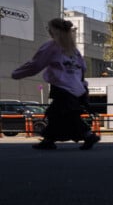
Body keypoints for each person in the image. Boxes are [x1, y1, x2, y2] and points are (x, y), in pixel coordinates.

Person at [12, 17, 99, 150]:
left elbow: (36, 64)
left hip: (62, 87)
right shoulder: (73, 50)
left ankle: (87, 135)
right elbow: (82, 69)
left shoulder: (52, 46)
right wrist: (83, 87)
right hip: (77, 88)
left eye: (49, 29)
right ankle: (49, 140)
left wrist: (17, 73)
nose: (48, 31)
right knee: (57, 114)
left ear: (55, 31)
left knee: (63, 114)